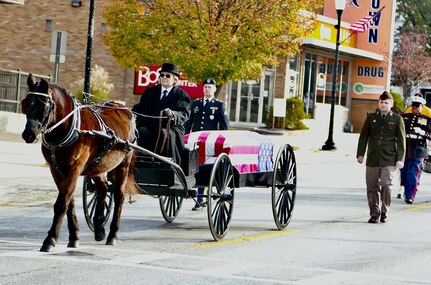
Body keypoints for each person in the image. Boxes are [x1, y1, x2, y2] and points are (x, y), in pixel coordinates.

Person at [356, 91, 405, 223]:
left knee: (386, 184)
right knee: (371, 187)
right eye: (381, 102)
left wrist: (400, 158)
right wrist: (360, 154)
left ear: (391, 104)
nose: (383, 105)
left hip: (389, 158)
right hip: (373, 157)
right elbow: (364, 137)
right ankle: (374, 213)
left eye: (386, 102)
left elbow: (401, 141)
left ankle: (385, 210)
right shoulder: (371, 117)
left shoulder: (397, 119)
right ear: (378, 103)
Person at [132, 63, 191, 164]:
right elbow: (140, 107)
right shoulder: (150, 92)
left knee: (165, 134)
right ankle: (141, 161)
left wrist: (173, 115)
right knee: (141, 131)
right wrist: (132, 113)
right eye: (162, 75)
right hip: (150, 125)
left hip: (172, 127)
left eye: (168, 75)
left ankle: (169, 165)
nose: (164, 77)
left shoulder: (181, 95)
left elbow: (184, 114)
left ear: (175, 79)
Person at [184, 78, 229, 210]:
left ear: (214, 89)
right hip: (195, 141)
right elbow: (189, 123)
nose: (207, 89)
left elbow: (224, 127)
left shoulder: (219, 105)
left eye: (210, 87)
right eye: (205, 87)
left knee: (204, 167)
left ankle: (200, 199)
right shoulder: (196, 104)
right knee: (194, 166)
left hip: (210, 143)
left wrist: (222, 142)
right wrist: (185, 137)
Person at [400, 95, 431, 204]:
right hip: (405, 148)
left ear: (422, 107)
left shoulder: (427, 120)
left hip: (418, 149)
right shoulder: (404, 117)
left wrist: (424, 133)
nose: (415, 107)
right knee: (403, 172)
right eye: (413, 105)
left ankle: (409, 196)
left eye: (417, 106)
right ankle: (405, 190)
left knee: (412, 172)